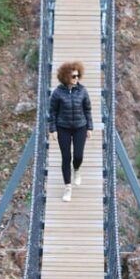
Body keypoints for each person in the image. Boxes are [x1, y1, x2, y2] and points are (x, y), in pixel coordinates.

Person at [48, 61, 93, 202]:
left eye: (78, 76)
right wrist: (52, 129)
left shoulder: (83, 91)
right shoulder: (57, 93)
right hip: (63, 128)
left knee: (78, 156)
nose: (76, 79)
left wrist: (90, 127)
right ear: (66, 77)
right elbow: (52, 112)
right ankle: (68, 188)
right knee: (66, 157)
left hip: (80, 126)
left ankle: (77, 169)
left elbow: (87, 109)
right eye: (73, 76)